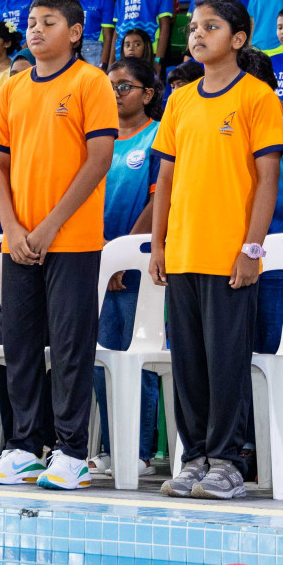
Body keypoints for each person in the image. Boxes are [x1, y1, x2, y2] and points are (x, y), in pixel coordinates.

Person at [0, 0, 117, 490]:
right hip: (18, 240)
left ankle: (71, 450)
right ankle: (22, 447)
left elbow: (98, 159)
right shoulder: (13, 88)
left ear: (76, 31)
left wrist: (49, 226)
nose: (35, 30)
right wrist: (13, 229)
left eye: (49, 22)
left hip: (71, 238)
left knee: (69, 346)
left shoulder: (90, 81)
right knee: (18, 345)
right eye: (32, 22)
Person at [150, 0, 283, 500]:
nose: (198, 34)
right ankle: (195, 457)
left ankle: (228, 461)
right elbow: (165, 177)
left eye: (212, 26)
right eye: (193, 27)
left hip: (230, 254)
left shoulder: (256, 97)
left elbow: (268, 178)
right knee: (188, 362)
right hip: (182, 252)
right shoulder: (180, 100)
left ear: (239, 39)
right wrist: (158, 244)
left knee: (227, 361)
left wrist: (252, 248)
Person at [84, 56, 163, 476]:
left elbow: (157, 200)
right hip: (94, 259)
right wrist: (101, 251)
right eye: (109, 86)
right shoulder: (98, 138)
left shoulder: (155, 137)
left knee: (138, 359)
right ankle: (114, 447)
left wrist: (123, 252)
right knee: (101, 359)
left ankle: (140, 451)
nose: (114, 94)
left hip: (136, 266)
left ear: (148, 94)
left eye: (124, 86)